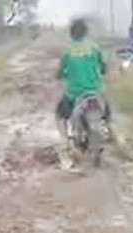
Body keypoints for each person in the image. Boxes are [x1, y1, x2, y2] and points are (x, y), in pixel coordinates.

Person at [55, 18, 114, 167]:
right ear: (86, 32)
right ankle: (110, 130)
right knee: (107, 113)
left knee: (60, 115)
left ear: (71, 34)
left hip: (75, 94)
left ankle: (65, 145)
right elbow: (104, 68)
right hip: (96, 92)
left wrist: (61, 75)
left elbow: (60, 72)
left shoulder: (68, 51)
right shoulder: (95, 48)